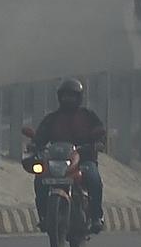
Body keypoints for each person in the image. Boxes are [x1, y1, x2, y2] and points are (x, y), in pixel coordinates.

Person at [33, 79, 107, 234]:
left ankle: (96, 217)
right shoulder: (52, 118)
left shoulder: (88, 116)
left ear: (79, 97)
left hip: (84, 160)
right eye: (65, 96)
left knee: (94, 179)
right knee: (39, 179)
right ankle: (44, 216)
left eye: (72, 96)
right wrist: (35, 144)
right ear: (60, 97)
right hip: (57, 162)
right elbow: (41, 135)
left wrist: (98, 143)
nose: (68, 99)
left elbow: (100, 132)